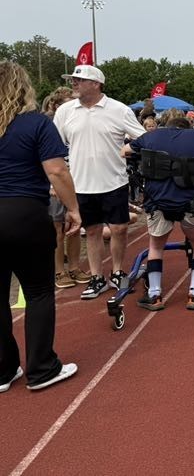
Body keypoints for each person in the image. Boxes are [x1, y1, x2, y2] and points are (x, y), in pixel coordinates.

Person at [0, 61, 80, 392]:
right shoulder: (36, 124)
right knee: (39, 292)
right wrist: (74, 209)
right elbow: (57, 171)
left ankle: (4, 371)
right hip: (25, 213)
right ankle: (42, 367)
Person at [122, 111, 194, 310]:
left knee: (156, 246)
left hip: (158, 201)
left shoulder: (150, 136)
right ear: (188, 126)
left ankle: (154, 294)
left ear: (167, 125)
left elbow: (123, 151)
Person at [53, 65, 146, 299]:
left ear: (96, 84)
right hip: (81, 184)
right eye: (73, 79)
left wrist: (130, 148)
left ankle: (116, 271)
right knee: (92, 231)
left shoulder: (119, 109)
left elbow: (143, 137)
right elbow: (53, 146)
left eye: (79, 80)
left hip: (114, 181)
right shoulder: (65, 111)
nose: (74, 83)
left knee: (120, 228)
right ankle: (96, 277)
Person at [42, 87, 85, 289]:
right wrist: (51, 184)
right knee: (57, 228)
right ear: (57, 106)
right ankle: (59, 271)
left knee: (75, 226)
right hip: (56, 184)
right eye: (69, 103)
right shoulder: (47, 126)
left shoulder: (77, 124)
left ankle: (75, 267)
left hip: (77, 181)